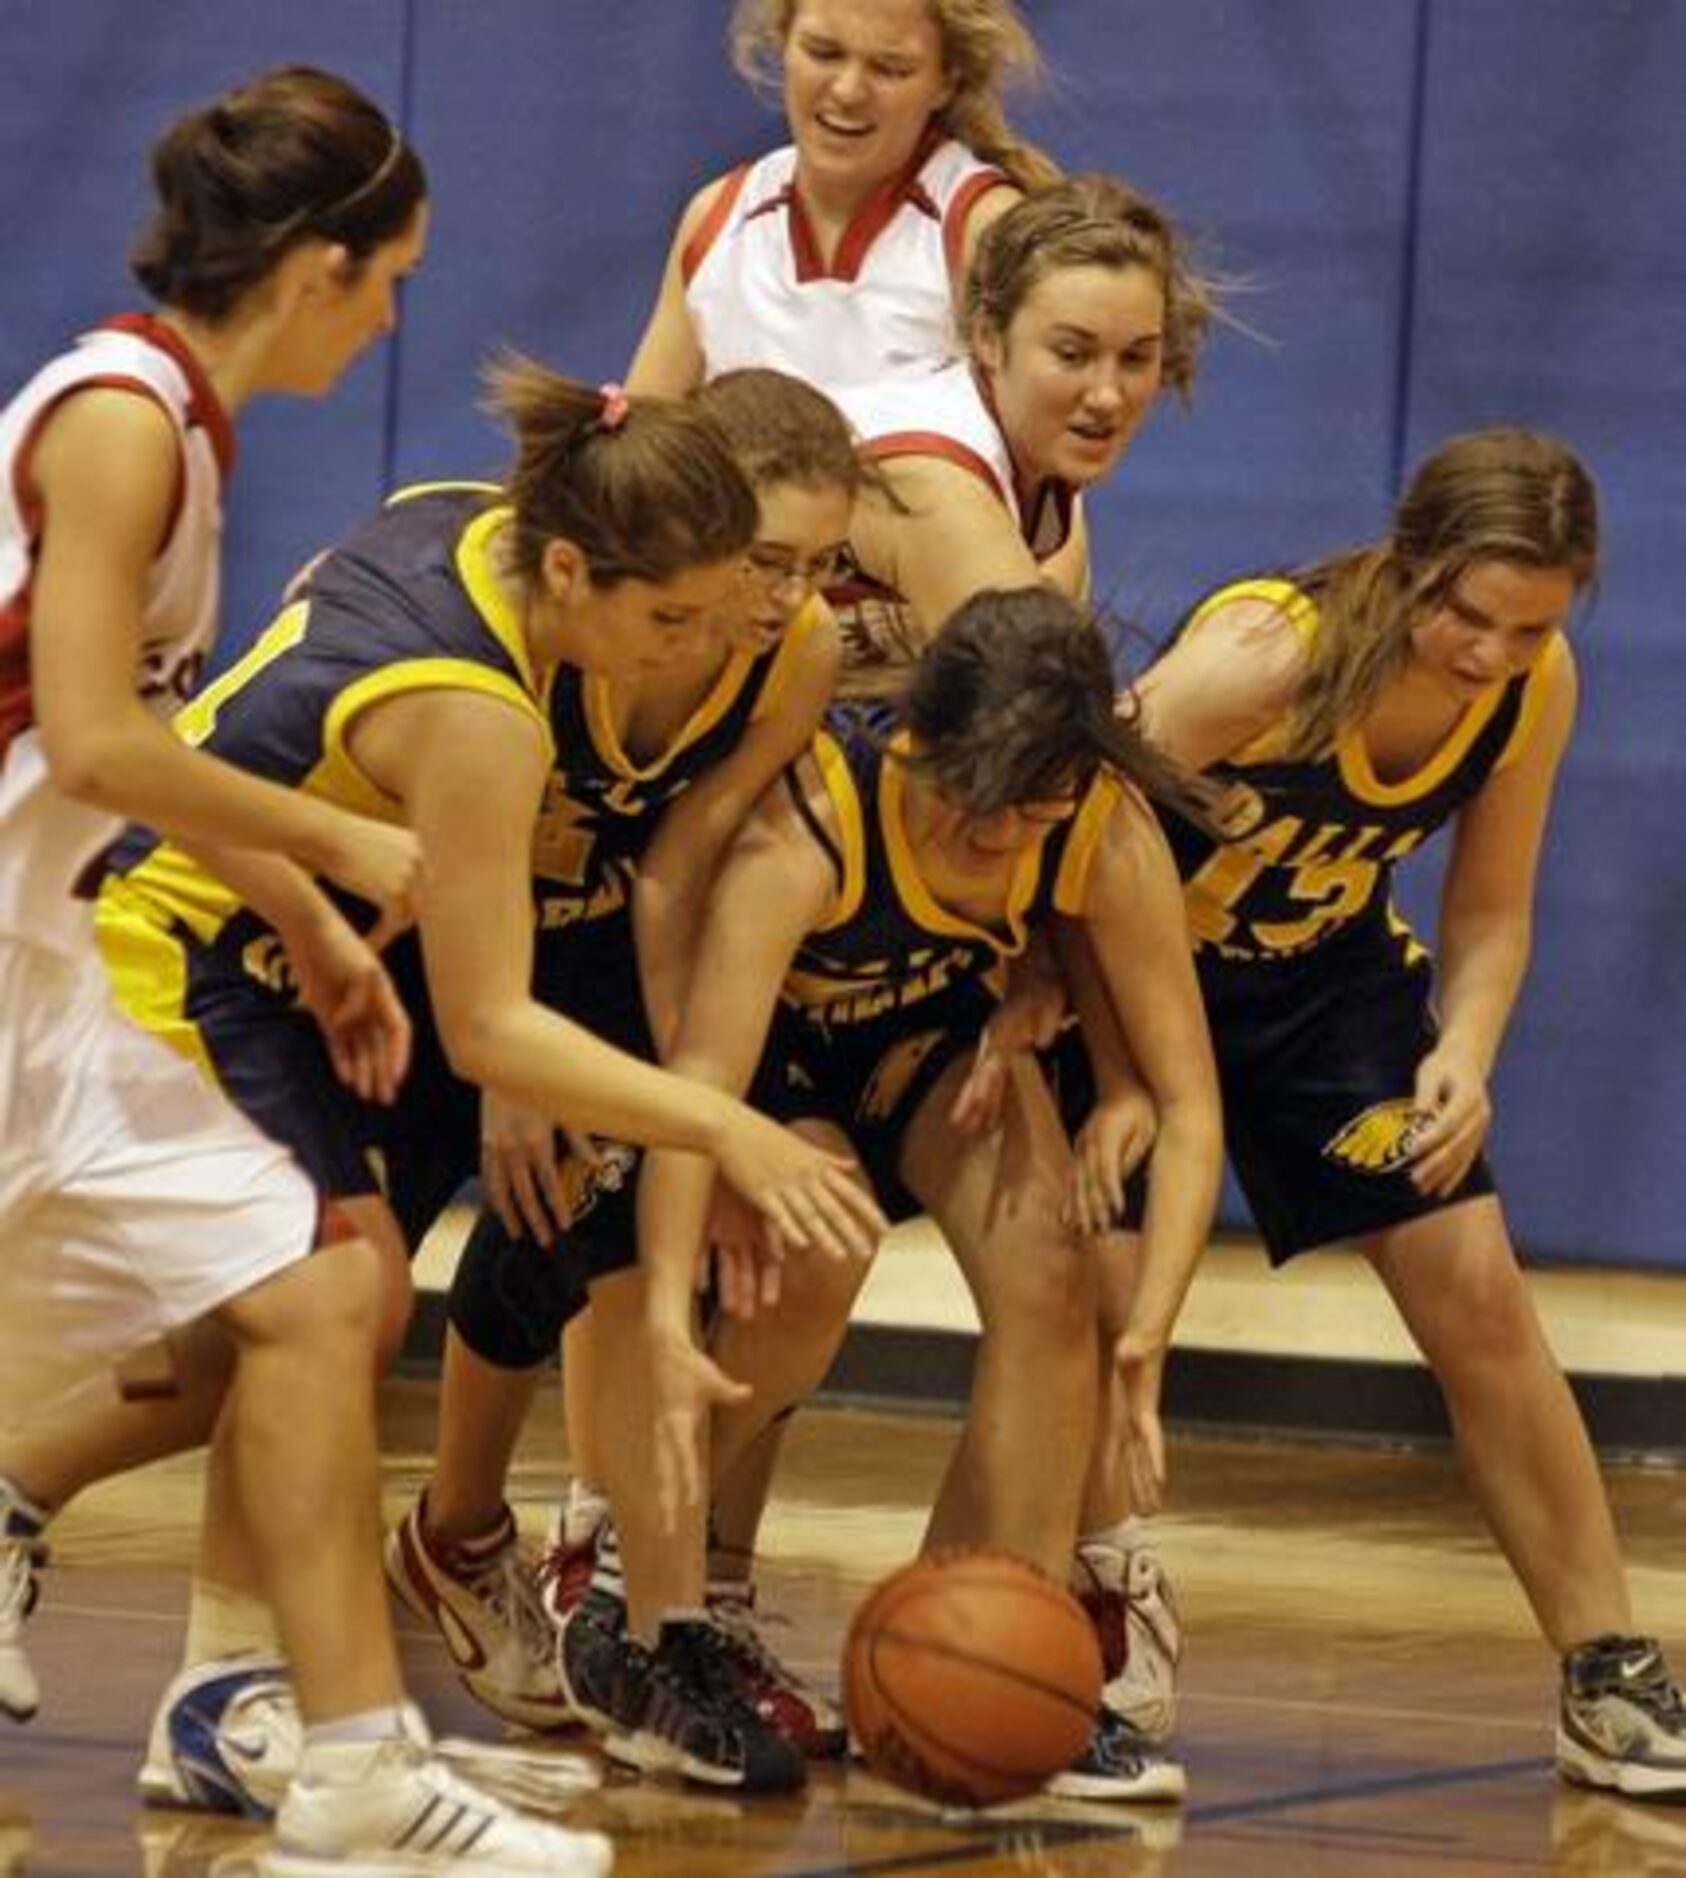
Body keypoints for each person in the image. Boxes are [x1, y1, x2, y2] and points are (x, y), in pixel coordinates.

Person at [3, 356, 883, 1835]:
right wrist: (720, 1117)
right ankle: (230, 1687)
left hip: (281, 936)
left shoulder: (463, 522)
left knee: (307, 1313)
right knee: (316, 1304)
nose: (718, 632)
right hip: (172, 938)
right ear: (577, 565)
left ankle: (197, 1660)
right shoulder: (485, 710)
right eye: (680, 610)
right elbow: (489, 1025)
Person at [0, 64, 619, 1876]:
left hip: (37, 959)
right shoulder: (121, 420)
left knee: (307, 1297)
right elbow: (106, 744)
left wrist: (301, 916)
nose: (400, 306)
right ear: (320, 262)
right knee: (302, 1296)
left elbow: (128, 734)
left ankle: (355, 1766)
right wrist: (343, 850)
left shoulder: (179, 417)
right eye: (395, 269)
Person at [631, 171, 1215, 1757]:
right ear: (982, 336)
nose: (1104, 390)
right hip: (724, 883)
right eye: (1070, 353)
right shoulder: (946, 490)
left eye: (1135, 358)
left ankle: (993, 1650)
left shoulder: (1046, 500)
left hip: (908, 944)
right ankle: (648, 1580)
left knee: (1047, 1278)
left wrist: (1042, 985)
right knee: (771, 1251)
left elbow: (1058, 805)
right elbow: (1082, 759)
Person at [551, 586, 1220, 1804]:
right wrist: (664, 1308)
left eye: (1037, 807)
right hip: (769, 1062)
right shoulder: (810, 823)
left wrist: (1153, 1336)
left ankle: (1006, 1656)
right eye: (977, 804)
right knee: (815, 1250)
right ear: (923, 743)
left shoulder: (1094, 818)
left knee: (1053, 1272)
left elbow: (1192, 1105)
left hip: (929, 1046)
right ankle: (639, 1611)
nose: (1005, 835)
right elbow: (699, 1084)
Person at [1127, 428, 1686, 1802]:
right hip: (1135, 971)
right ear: (1407, 557)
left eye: (1528, 623)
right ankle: (1098, 1641)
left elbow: (1490, 901)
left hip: (1323, 993)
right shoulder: (1268, 655)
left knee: (1479, 1291)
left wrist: (1468, 1050)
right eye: (1464, 611)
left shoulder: (1528, 686)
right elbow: (1070, 819)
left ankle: (1604, 1666)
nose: (1489, 650)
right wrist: (1059, 1019)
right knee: (1089, 1304)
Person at [380, 369, 869, 1785]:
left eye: (816, 564)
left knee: (609, 1240)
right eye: (763, 559)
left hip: (604, 928)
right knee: (351, 1279)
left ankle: (630, 1608)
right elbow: (461, 835)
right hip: (432, 924)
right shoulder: (565, 613)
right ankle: (453, 1537)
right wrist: (503, 1054)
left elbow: (672, 859)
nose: (782, 594)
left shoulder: (798, 652)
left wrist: (681, 1087)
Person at [627, 0, 1057, 398]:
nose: (849, 91)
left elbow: (1041, 464)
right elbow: (636, 461)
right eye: (823, 53)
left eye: (890, 68)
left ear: (948, 81)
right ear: (783, 41)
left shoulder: (983, 229)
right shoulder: (716, 221)